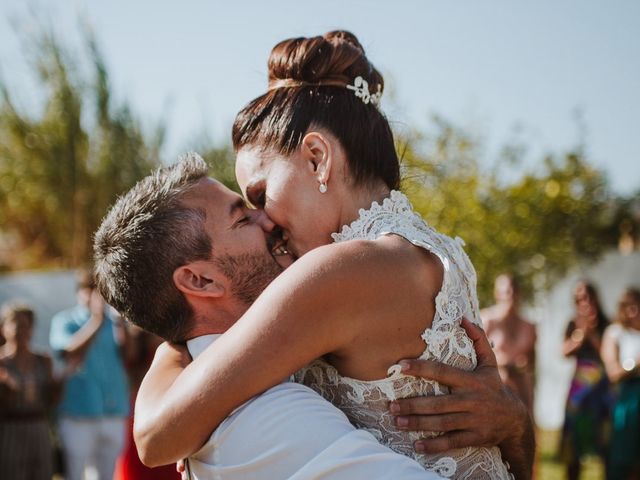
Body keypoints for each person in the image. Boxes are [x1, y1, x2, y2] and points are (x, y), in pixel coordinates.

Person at [134, 31, 533, 479]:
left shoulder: (338, 271)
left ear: (317, 158)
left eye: (261, 195)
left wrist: (175, 339)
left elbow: (155, 437)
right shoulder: (434, 252)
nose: (264, 223)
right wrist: (517, 421)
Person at [94, 155, 444, 479]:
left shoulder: (204, 393)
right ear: (200, 280)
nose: (267, 219)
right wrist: (502, 436)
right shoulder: (264, 416)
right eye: (243, 218)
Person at [49, 270, 130, 480]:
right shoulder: (65, 320)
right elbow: (67, 350)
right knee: (75, 474)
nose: (96, 295)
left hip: (113, 412)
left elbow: (128, 356)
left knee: (106, 475)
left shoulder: (115, 322)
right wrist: (96, 320)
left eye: (100, 289)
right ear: (79, 292)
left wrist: (121, 323)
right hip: (78, 413)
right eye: (90, 289)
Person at [0, 301, 59, 480]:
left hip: (39, 427)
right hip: (10, 429)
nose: (20, 329)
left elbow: (51, 398)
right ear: (4, 328)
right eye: (15, 324)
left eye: (25, 325)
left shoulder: (43, 360)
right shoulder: (2, 363)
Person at [561, 280, 611, 480]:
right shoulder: (573, 324)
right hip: (579, 392)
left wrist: (593, 336)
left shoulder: (608, 324)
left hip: (602, 391)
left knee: (604, 441)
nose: (585, 302)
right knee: (573, 444)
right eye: (580, 299)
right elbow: (563, 351)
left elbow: (609, 356)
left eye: (588, 297)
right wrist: (581, 335)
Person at [481, 273, 536, 413]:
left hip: (521, 388)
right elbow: (475, 358)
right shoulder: (487, 320)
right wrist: (503, 365)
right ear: (497, 294)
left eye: (513, 290)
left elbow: (532, 360)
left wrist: (522, 366)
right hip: (495, 387)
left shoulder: (529, 326)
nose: (510, 295)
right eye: (506, 291)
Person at [601, 287, 640, 479]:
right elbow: (613, 373)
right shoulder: (615, 333)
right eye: (629, 306)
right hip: (627, 401)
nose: (634, 311)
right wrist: (635, 365)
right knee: (625, 459)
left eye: (637, 305)